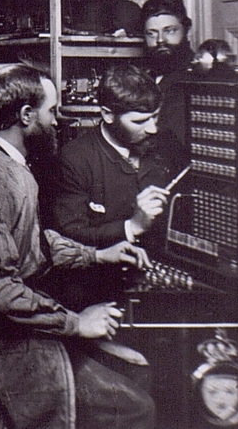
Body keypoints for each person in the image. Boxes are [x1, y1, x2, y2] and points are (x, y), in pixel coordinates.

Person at [0, 63, 155, 429]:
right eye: (52, 111)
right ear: (25, 115)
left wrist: (95, 255)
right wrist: (75, 323)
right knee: (132, 408)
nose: (56, 121)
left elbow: (31, 241)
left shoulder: (6, 162)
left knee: (130, 374)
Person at [52, 63, 170, 309]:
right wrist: (132, 226)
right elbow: (67, 236)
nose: (153, 128)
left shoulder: (166, 150)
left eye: (155, 117)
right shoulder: (75, 158)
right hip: (94, 296)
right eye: (140, 121)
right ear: (107, 114)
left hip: (157, 289)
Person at [140, 0, 196, 167]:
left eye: (169, 31)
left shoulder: (197, 78)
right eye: (151, 33)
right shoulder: (145, 77)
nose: (160, 40)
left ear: (186, 30)